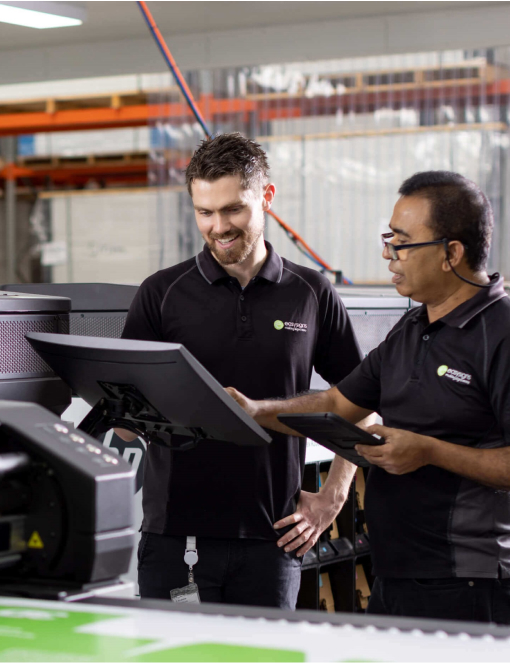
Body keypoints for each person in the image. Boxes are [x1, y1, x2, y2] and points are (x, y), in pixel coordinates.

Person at [227, 170, 510, 624]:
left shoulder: (500, 333)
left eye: (401, 241)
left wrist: (429, 451)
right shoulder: (413, 328)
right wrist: (256, 411)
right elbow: (338, 405)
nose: (387, 253)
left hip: (470, 584)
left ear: (451, 253)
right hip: (394, 572)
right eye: (388, 237)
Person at [118, 132, 363, 608]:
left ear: (266, 197)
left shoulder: (310, 293)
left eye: (233, 210)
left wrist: (333, 495)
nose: (218, 227)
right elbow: (129, 421)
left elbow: (362, 402)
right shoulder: (161, 293)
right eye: (204, 212)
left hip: (273, 540)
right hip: (176, 538)